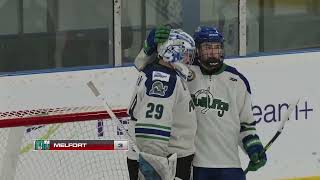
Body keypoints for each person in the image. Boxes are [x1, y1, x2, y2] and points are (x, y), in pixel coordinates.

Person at [134, 25, 267, 180]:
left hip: (230, 165)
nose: (213, 53)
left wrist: (253, 147)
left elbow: (246, 125)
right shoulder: (182, 72)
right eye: (207, 47)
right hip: (195, 166)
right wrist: (147, 47)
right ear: (196, 49)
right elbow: (146, 68)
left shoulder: (237, 81)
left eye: (217, 48)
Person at [127, 28, 197, 180]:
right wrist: (154, 169)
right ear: (172, 52)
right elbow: (151, 130)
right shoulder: (163, 79)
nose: (188, 59)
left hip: (171, 158)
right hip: (164, 162)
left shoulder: (163, 73)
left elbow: (140, 63)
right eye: (186, 53)